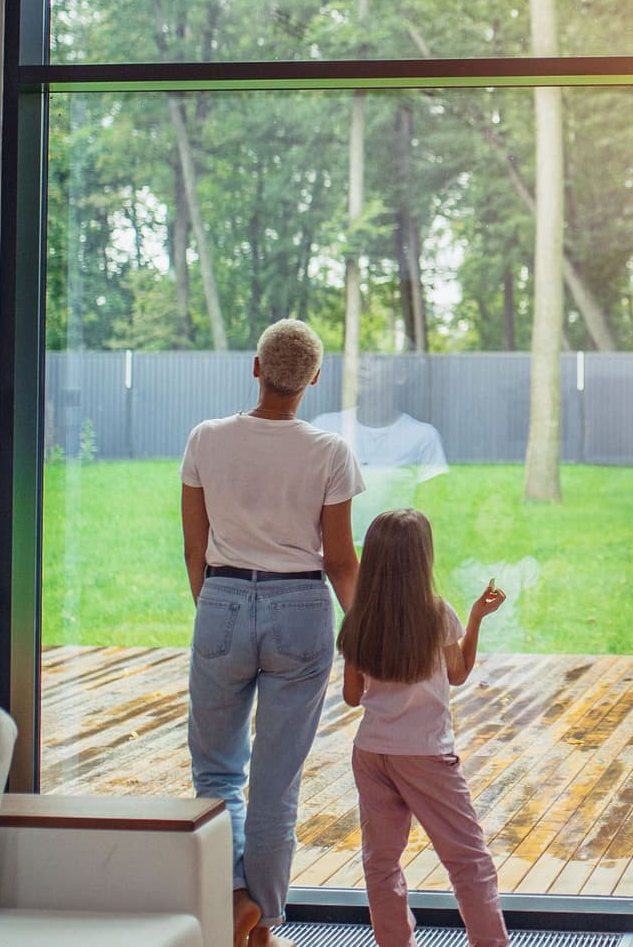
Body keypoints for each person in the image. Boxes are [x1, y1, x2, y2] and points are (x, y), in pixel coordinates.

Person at [181, 319, 364, 947]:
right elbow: (340, 558)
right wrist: (366, 635)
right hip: (301, 608)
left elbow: (193, 548)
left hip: (223, 597)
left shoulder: (205, 439)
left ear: (256, 368)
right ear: (314, 378)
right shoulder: (330, 451)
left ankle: (234, 901)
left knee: (217, 772)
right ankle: (264, 923)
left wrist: (217, 607)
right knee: (276, 781)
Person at [339, 508, 510, 947]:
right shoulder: (438, 614)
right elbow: (457, 673)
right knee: (469, 860)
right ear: (422, 559)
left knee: (381, 864)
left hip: (373, 753)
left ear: (373, 558)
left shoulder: (360, 617)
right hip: (426, 756)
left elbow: (353, 696)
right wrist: (474, 620)